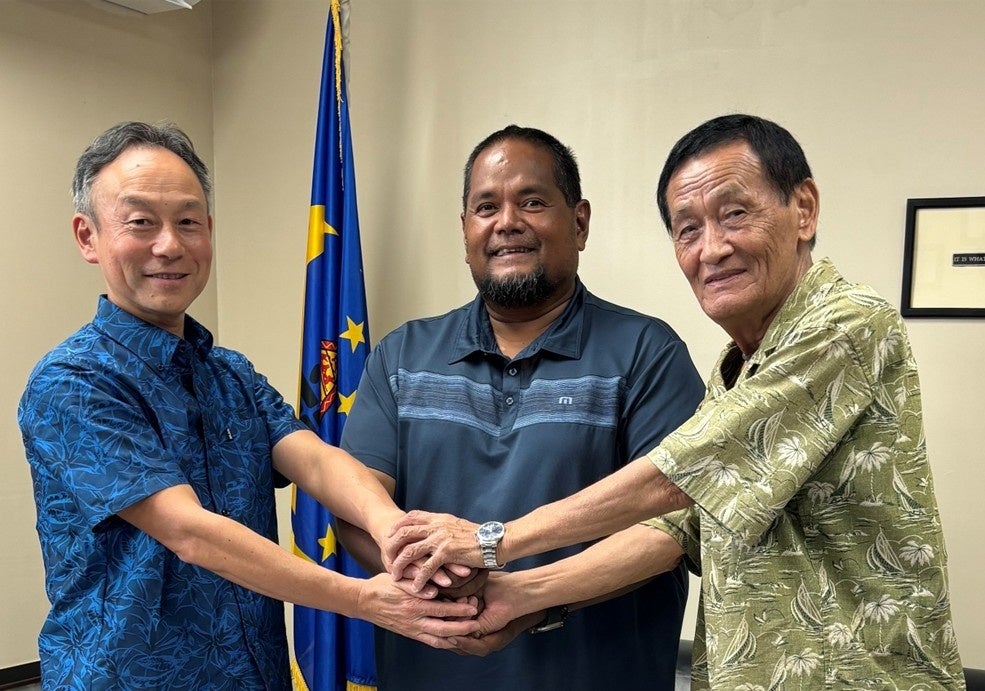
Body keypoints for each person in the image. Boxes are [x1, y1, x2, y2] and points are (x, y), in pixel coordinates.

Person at [387, 114, 967, 689]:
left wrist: (491, 542)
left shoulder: (844, 323)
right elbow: (675, 526)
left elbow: (676, 478)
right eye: (688, 229)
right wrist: (520, 598)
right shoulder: (735, 368)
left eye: (734, 214)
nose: (711, 249)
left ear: (804, 210)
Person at [17, 121, 480, 690]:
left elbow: (315, 461)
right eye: (141, 222)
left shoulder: (229, 372)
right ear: (87, 236)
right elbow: (189, 532)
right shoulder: (73, 382)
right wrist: (364, 599)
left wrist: (392, 530)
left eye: (189, 222)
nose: (170, 244)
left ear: (209, 231)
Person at [337, 124, 705, 690]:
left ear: (579, 223)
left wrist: (531, 600)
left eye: (532, 202)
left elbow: (671, 527)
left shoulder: (646, 353)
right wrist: (445, 589)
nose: (506, 222)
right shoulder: (401, 356)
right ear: (465, 229)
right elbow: (357, 509)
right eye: (486, 207)